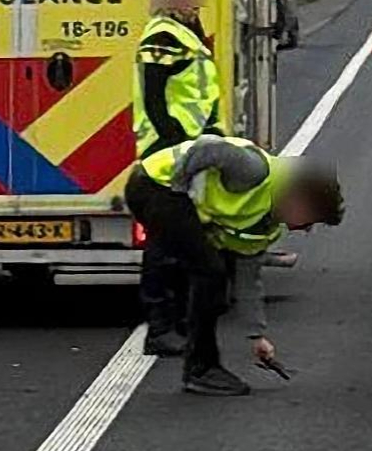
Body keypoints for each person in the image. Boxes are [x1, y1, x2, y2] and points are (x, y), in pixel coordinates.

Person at [138, 133, 345, 393]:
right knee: (209, 273)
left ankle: (190, 353)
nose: (304, 230)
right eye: (310, 219)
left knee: (212, 275)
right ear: (299, 198)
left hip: (173, 197)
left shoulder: (265, 225)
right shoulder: (253, 171)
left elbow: (248, 282)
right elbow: (206, 149)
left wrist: (257, 337)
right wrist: (180, 192)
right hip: (155, 182)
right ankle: (197, 367)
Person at [127, 0, 226, 365]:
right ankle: (161, 326)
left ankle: (179, 322)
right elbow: (154, 97)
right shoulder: (164, 35)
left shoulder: (184, 31)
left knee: (181, 238)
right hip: (168, 153)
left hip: (190, 149)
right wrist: (175, 142)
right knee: (163, 242)